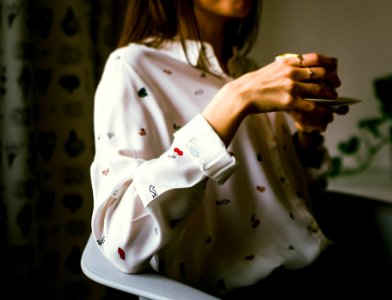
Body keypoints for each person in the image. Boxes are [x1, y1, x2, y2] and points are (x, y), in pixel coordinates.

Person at [90, 0, 348, 298]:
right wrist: (235, 100)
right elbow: (123, 244)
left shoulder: (248, 71)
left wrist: (308, 136)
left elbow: (290, 204)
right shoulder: (131, 67)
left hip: (316, 270)